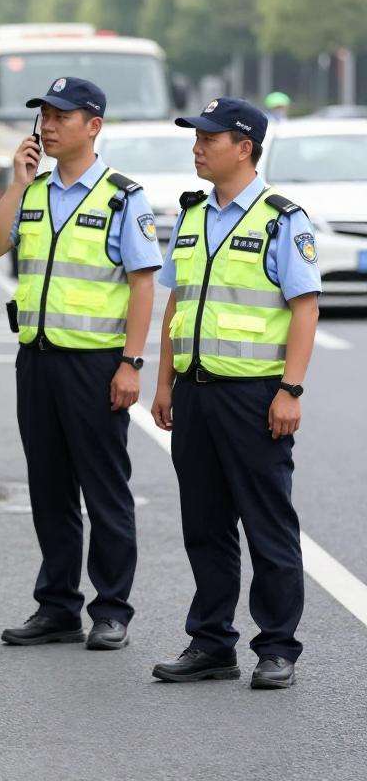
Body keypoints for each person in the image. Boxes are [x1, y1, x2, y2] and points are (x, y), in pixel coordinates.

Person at [0, 77, 162, 653]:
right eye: (44, 116)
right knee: (48, 488)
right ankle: (57, 606)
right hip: (37, 362)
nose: (48, 126)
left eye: (61, 116)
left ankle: (111, 609)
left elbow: (142, 283)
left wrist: (131, 364)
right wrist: (16, 184)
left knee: (104, 489)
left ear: (94, 125)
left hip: (95, 364)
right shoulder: (30, 192)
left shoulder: (121, 197)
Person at [150, 97, 320, 690]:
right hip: (195, 396)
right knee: (205, 523)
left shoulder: (280, 218)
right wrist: (165, 382)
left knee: (267, 523)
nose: (196, 146)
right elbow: (177, 301)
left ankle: (277, 647)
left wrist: (290, 390)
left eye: (208, 138)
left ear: (244, 147)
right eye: (196, 137)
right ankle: (211, 642)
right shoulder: (193, 215)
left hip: (253, 397)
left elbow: (304, 309)